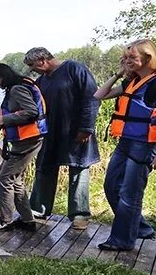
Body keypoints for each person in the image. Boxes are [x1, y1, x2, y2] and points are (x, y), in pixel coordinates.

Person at [94, 39, 156, 251]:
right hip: (125, 142)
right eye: (125, 58)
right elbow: (99, 95)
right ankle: (140, 227)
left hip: (145, 145)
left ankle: (122, 240)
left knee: (130, 193)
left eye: (132, 58)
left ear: (147, 58)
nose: (128, 61)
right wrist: (119, 73)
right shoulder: (131, 82)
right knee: (111, 186)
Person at [23, 47, 100, 230]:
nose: (32, 70)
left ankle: (79, 215)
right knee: (44, 168)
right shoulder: (42, 81)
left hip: (77, 132)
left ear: (43, 60)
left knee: (78, 170)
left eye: (33, 66)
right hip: (51, 133)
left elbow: (92, 98)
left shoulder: (74, 69)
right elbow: (35, 106)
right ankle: (39, 210)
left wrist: (86, 128)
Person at [0, 63, 47, 232]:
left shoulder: (16, 89)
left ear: (2, 77)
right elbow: (22, 109)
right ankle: (27, 220)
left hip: (28, 140)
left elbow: (31, 111)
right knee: (16, 180)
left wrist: (4, 120)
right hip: (28, 139)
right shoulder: (18, 86)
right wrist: (3, 112)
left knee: (4, 179)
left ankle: (6, 221)